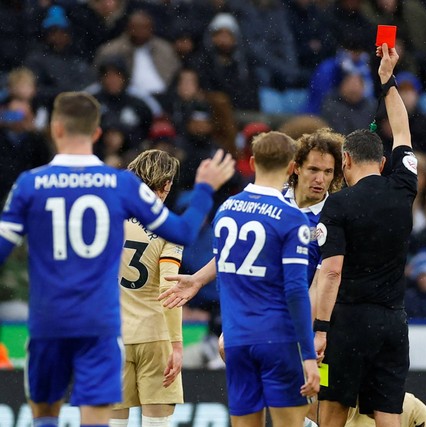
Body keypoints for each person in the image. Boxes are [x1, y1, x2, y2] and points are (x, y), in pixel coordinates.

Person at [0, 91, 235, 427]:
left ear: (55, 128)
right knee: (99, 418)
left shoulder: (29, 185)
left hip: (49, 319)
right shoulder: (120, 185)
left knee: (45, 414)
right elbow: (181, 231)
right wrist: (204, 190)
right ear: (97, 133)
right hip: (101, 325)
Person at [160, 131, 320, 426]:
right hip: (277, 340)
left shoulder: (227, 210)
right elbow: (296, 290)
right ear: (291, 168)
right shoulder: (292, 218)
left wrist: (197, 279)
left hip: (236, 340)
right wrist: (308, 356)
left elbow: (226, 262)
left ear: (253, 161)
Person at [313, 43, 418, 427]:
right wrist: (387, 81)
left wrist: (320, 329)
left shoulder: (337, 205)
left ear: (345, 161)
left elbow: (331, 273)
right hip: (394, 322)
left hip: (349, 323)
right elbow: (403, 130)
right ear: (385, 161)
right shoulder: (404, 187)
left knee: (334, 410)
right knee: (388, 414)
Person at [109, 150, 186, 427]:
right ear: (165, 186)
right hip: (155, 336)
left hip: (113, 335)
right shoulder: (170, 229)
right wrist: (176, 345)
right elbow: (171, 288)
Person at [284, 128, 344, 293]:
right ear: (296, 168)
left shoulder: (333, 220)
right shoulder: (273, 198)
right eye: (313, 169)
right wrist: (203, 279)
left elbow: (319, 285)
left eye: (328, 172)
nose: (320, 180)